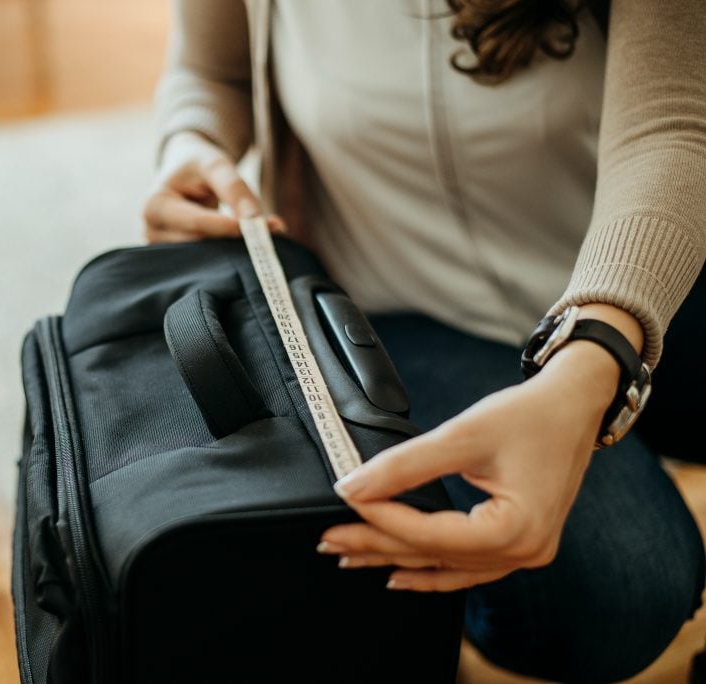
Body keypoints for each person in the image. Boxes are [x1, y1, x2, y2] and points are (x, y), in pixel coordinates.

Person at [143, 1, 706, 681]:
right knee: (615, 591)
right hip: (401, 306)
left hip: (640, 273)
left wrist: (595, 354)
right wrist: (191, 141)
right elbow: (210, 71)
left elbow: (671, 125)